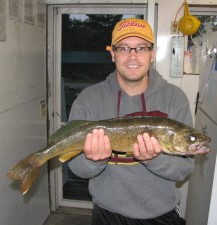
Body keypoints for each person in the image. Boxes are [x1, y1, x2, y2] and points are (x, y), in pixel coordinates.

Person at [68, 17, 194, 225]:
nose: (133, 56)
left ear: (152, 54)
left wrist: (155, 159)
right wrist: (94, 160)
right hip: (107, 214)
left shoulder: (174, 98)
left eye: (141, 48)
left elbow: (184, 169)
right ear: (113, 54)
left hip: (161, 214)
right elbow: (77, 169)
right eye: (124, 48)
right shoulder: (88, 99)